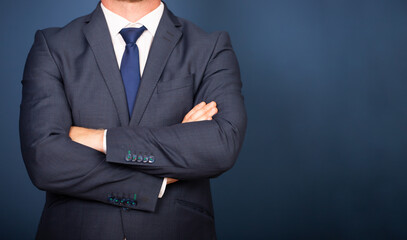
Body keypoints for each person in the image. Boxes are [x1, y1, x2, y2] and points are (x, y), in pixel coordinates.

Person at [19, 0, 247, 239]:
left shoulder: (210, 47)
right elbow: (44, 159)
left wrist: (101, 139)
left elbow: (220, 145)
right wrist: (156, 181)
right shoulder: (53, 46)